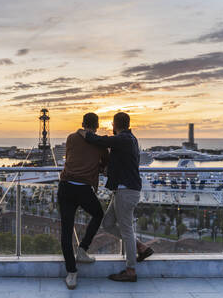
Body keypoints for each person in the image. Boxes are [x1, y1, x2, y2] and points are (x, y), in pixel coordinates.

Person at [78, 112, 153, 282]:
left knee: (126, 230)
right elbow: (119, 164)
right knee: (108, 224)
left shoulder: (125, 139)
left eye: (112, 124)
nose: (111, 127)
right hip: (122, 190)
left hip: (126, 191)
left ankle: (131, 270)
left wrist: (84, 134)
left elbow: (100, 141)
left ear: (115, 124)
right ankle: (141, 246)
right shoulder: (127, 141)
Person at [58, 112, 109, 290]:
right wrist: (99, 167)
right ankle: (82, 249)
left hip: (65, 186)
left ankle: (71, 273)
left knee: (66, 230)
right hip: (83, 188)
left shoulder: (71, 138)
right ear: (96, 126)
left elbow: (72, 156)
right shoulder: (99, 143)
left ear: (82, 123)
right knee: (98, 214)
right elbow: (106, 163)